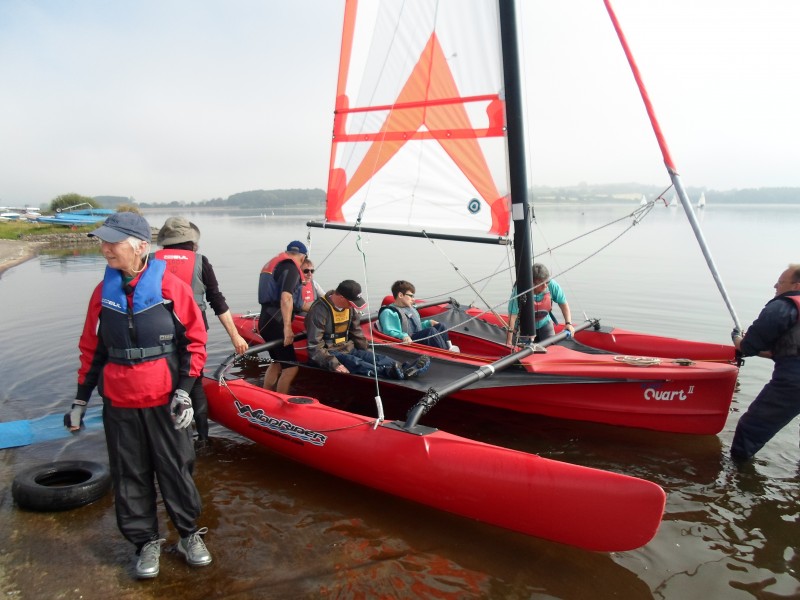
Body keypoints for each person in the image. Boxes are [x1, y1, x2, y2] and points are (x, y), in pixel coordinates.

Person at [63, 212, 212, 580]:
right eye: (103, 241)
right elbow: (91, 350)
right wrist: (80, 400)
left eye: (113, 242)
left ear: (141, 246)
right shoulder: (102, 294)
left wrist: (185, 392)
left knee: (176, 469)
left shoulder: (171, 288)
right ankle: (145, 541)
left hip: (165, 400)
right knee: (130, 474)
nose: (105, 248)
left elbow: (194, 343)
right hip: (120, 402)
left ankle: (189, 534)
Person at [155, 216, 248, 446]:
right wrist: (236, 336)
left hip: (156, 331)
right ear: (192, 242)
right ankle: (203, 438)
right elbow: (217, 301)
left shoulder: (148, 260)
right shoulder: (201, 261)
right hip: (192, 331)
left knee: (160, 379)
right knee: (193, 380)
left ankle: (165, 434)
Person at [730, 264, 800, 463]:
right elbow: (785, 351)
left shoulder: (783, 307)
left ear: (796, 285)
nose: (775, 286)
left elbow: (749, 347)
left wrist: (737, 339)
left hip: (793, 383)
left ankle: (739, 474)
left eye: (780, 282)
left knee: (750, 428)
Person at [305, 279, 431, 378]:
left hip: (347, 347)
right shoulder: (319, 310)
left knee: (376, 358)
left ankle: (406, 368)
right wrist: (333, 363)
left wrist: (367, 351)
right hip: (330, 351)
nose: (353, 307)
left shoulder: (350, 309)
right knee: (355, 362)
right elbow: (314, 346)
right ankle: (388, 373)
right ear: (342, 298)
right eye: (352, 303)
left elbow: (356, 332)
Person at [258, 240, 308, 393]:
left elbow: (296, 302)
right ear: (303, 257)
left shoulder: (275, 264)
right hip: (276, 323)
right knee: (291, 368)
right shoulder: (291, 267)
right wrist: (287, 328)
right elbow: (286, 296)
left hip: (265, 319)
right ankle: (280, 401)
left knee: (277, 362)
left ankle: (266, 394)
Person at [378, 280, 459, 352]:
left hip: (415, 336)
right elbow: (389, 331)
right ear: (400, 295)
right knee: (430, 331)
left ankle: (448, 349)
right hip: (408, 340)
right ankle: (446, 353)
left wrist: (428, 323)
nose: (413, 299)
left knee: (441, 326)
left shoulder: (410, 308)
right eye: (411, 296)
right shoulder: (389, 312)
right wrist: (403, 336)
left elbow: (415, 327)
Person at [506, 263, 575, 345]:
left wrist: (568, 323)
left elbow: (563, 303)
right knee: (525, 351)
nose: (545, 286)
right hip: (524, 326)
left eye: (547, 282)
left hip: (544, 323)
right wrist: (509, 341)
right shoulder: (520, 290)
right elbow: (512, 317)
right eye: (542, 283)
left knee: (551, 347)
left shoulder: (552, 285)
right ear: (532, 283)